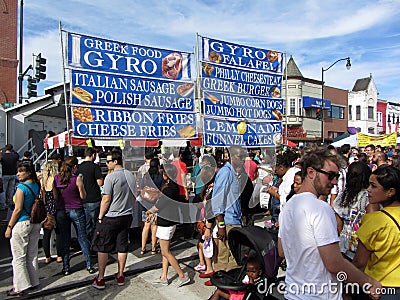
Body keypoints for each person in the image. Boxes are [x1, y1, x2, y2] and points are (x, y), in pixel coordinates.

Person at [278, 145, 382, 299]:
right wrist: (368, 282)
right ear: (311, 172)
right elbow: (334, 262)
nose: (334, 182)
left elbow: (282, 251)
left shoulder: (289, 205)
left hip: (293, 293)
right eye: (330, 175)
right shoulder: (320, 208)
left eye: (337, 176)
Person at [92, 150, 137, 290]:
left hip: (111, 216)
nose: (107, 163)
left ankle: (100, 278)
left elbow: (106, 199)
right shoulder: (130, 175)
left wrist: (100, 216)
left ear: (115, 162)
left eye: (108, 161)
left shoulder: (110, 178)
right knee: (122, 245)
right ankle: (120, 274)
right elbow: (135, 196)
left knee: (103, 247)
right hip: (126, 215)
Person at [353, 166, 400, 299]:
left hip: (378, 287)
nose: (368, 189)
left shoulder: (375, 220)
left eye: (373, 186)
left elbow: (359, 262)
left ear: (391, 192)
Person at [148, 164, 190, 287]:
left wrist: (150, 211)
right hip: (168, 221)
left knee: (166, 252)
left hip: (166, 223)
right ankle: (164, 276)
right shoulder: (173, 187)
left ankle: (182, 275)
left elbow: (159, 205)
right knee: (164, 251)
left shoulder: (169, 189)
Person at [5, 161, 41, 297]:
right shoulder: (36, 185)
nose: (18, 174)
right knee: (32, 254)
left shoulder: (21, 188)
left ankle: (20, 286)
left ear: (28, 172)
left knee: (18, 257)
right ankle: (34, 281)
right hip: (35, 222)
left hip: (22, 222)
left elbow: (17, 209)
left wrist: (9, 226)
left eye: (21, 171)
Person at [54, 156, 94, 276]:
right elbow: (83, 196)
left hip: (61, 210)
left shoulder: (57, 178)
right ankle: (89, 264)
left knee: (65, 238)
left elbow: (55, 197)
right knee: (82, 236)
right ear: (75, 167)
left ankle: (66, 267)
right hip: (76, 208)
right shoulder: (77, 179)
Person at [211, 146, 246, 272]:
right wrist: (221, 226)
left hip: (235, 221)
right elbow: (218, 200)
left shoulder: (234, 173)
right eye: (239, 156)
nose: (242, 159)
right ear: (230, 156)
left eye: (243, 156)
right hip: (228, 223)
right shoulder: (226, 172)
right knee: (229, 260)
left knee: (233, 259)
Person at [333, 162, 378, 257]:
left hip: (343, 247)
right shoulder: (372, 197)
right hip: (363, 248)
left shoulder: (342, 197)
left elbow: (338, 226)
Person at [77, 148, 104, 242]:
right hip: (94, 199)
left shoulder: (78, 167)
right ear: (93, 155)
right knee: (94, 224)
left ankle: (87, 243)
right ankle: (93, 243)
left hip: (82, 198)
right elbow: (100, 183)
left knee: (85, 224)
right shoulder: (95, 167)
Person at [140, 157, 164, 255]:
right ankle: (153, 248)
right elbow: (162, 190)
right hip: (154, 204)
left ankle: (143, 248)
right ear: (158, 166)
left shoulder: (146, 176)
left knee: (146, 226)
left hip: (145, 203)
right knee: (154, 226)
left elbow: (141, 188)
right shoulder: (160, 177)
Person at [41, 160, 61, 264]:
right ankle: (59, 255)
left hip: (46, 208)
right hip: (56, 206)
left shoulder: (42, 181)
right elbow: (57, 196)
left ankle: (47, 256)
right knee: (58, 233)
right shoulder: (56, 180)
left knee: (46, 234)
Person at [0, 144, 20, 209]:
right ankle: (10, 202)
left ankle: (4, 203)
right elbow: (17, 156)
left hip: (5, 174)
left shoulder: (3, 155)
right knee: (11, 190)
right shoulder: (14, 156)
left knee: (4, 190)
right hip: (13, 174)